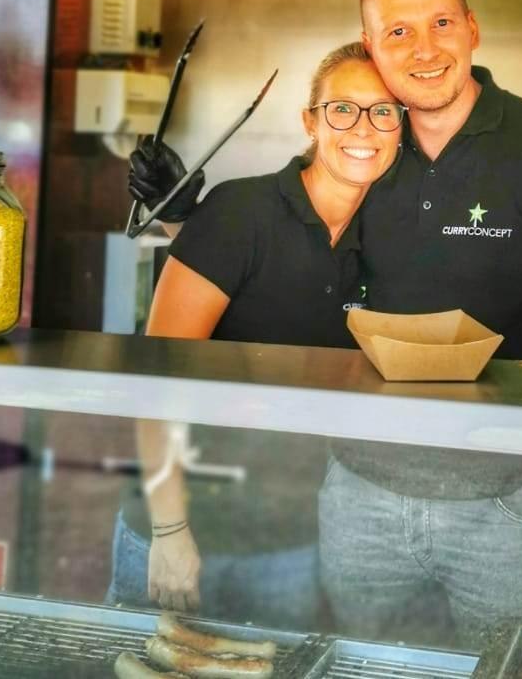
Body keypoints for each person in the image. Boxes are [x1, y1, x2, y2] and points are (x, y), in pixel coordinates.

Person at [319, 0, 522, 664]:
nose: (424, 49)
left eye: (440, 23)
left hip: (516, 511)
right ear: (370, 47)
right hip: (361, 500)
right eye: (398, 32)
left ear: (472, 28)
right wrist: (185, 221)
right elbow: (277, 253)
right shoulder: (358, 150)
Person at [107, 42, 404, 627]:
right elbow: (157, 379)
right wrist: (170, 530)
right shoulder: (240, 212)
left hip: (288, 539)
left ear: (401, 127)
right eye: (343, 109)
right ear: (310, 121)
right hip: (181, 525)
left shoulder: (390, 240)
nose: (363, 127)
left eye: (383, 111)